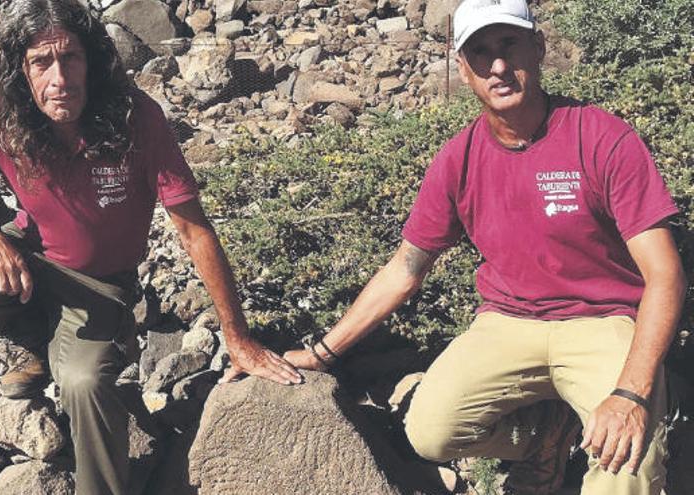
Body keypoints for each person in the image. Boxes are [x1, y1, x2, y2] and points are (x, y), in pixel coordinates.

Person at [0, 0, 302, 493]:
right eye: (41, 63)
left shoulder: (137, 118)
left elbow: (193, 229)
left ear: (92, 60)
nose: (59, 79)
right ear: (21, 72)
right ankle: (38, 342)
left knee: (84, 384)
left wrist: (238, 338)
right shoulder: (0, 116)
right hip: (31, 260)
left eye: (70, 58)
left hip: (100, 286)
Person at [283, 0, 686, 493]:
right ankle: (546, 438)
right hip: (509, 321)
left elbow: (665, 273)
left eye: (509, 45)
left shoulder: (602, 137)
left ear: (538, 48)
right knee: (430, 431)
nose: (497, 66)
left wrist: (632, 392)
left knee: (628, 462)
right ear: (463, 69)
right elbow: (405, 270)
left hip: (603, 322)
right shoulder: (459, 158)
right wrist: (323, 353)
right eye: (480, 52)